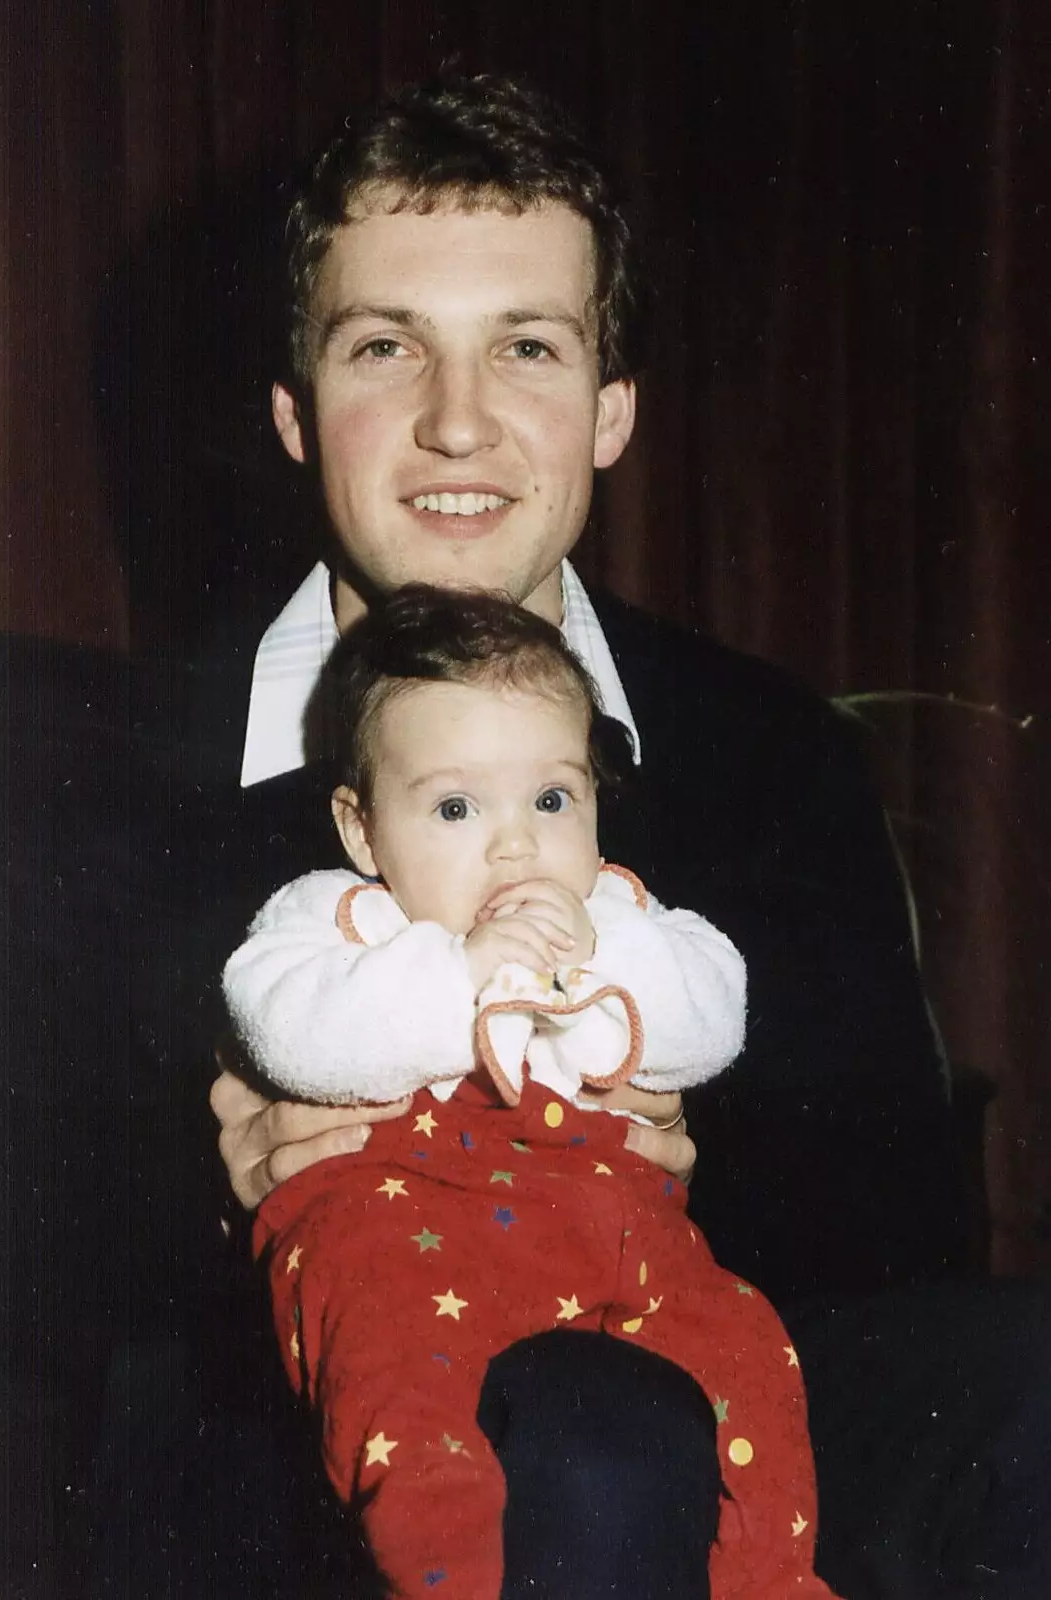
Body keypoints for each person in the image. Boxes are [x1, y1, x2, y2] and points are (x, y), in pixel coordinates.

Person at [205, 72, 1051, 1600]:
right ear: (291, 411)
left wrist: (679, 1136)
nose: (458, 421)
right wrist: (230, 1179)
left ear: (610, 411)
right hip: (314, 1457)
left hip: (707, 1379)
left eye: (526, 347)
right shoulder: (84, 769)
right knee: (584, 1445)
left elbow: (899, 1223)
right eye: (386, 346)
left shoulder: (769, 748)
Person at [222, 583, 839, 1598]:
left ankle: (772, 1575)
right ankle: (442, 1567)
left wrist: (610, 952)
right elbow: (283, 1022)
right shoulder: (335, 920)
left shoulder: (619, 914)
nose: (515, 846)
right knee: (397, 1378)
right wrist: (461, 973)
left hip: (604, 1213)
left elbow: (714, 1007)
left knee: (744, 1346)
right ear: (363, 829)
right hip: (402, 1210)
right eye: (455, 808)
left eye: (551, 801)